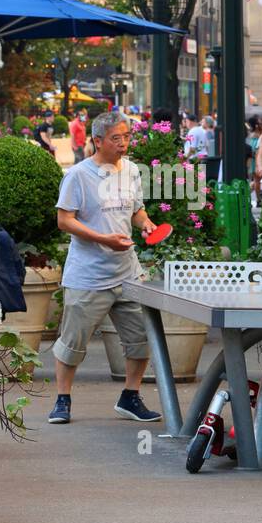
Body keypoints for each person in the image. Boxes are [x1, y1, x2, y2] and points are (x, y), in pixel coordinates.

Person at [48, 111, 163, 426]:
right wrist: (103, 239)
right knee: (73, 341)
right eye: (116, 138)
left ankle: (130, 396)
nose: (124, 143)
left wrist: (145, 224)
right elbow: (64, 220)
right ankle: (62, 400)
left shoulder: (132, 171)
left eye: (127, 136)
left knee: (141, 338)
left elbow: (136, 210)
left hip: (128, 271)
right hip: (88, 274)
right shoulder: (78, 176)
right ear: (97, 140)